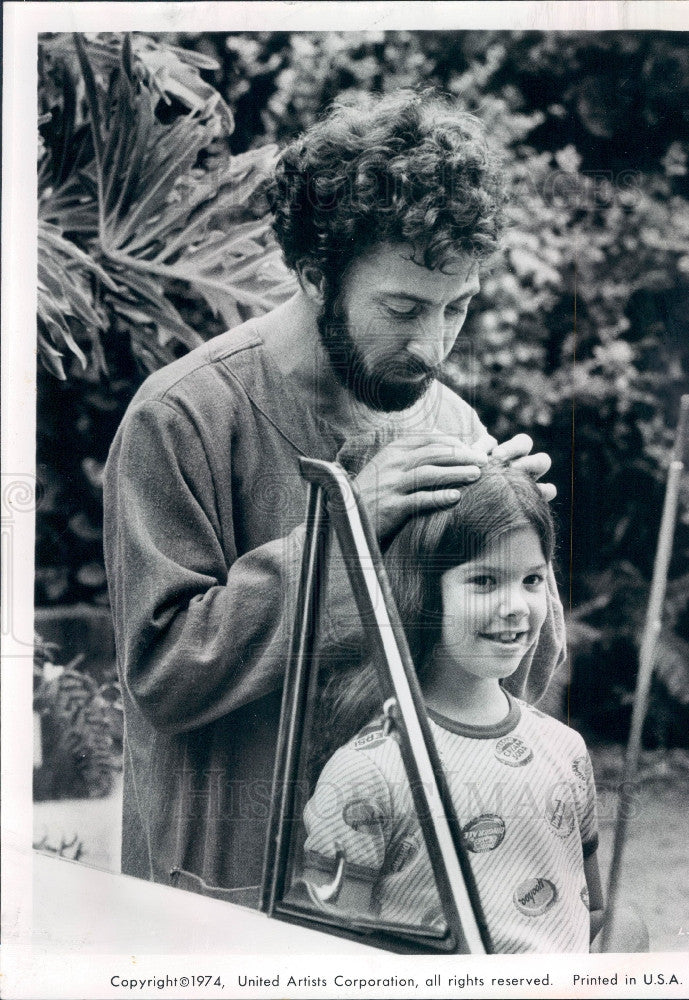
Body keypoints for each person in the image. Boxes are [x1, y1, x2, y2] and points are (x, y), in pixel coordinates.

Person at [103, 91, 566, 905]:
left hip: (396, 901)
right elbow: (164, 676)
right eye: (401, 310)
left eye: (457, 309)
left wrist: (514, 545)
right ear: (315, 276)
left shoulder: (450, 423)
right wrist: (343, 528)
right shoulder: (182, 417)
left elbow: (508, 682)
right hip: (220, 896)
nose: (430, 348)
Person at [301, 461, 603, 953]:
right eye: (484, 581)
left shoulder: (565, 748)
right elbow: (332, 951)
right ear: (423, 593)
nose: (517, 606)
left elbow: (591, 914)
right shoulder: (368, 770)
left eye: (531, 579)